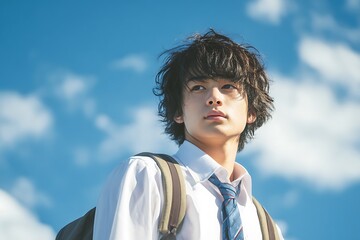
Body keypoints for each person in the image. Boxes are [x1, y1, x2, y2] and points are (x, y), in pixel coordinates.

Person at [93, 29, 284, 240]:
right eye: (198, 87)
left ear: (251, 112)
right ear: (178, 112)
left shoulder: (266, 227)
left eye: (228, 86)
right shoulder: (146, 176)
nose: (214, 98)